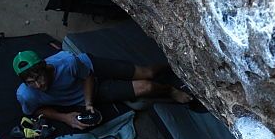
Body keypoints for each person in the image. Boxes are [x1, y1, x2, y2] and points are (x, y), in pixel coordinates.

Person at [12, 49, 192, 130]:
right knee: (148, 86)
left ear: (45, 67)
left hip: (90, 70)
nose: (39, 85)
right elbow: (36, 110)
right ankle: (170, 90)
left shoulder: (67, 62)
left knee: (149, 72)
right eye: (31, 82)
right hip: (93, 92)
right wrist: (65, 118)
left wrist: (88, 102)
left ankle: (173, 64)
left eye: (39, 77)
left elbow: (88, 75)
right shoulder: (26, 95)